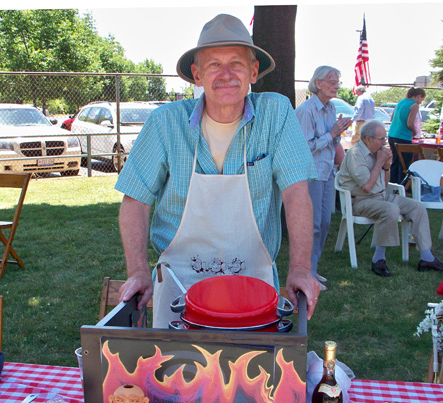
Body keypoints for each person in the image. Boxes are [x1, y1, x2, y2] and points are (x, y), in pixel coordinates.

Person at [115, 14, 319, 328]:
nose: (226, 75)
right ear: (196, 75)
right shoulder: (165, 123)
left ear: (253, 71)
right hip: (179, 287)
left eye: (236, 63)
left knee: (251, 374)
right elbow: (135, 202)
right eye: (213, 65)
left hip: (255, 287)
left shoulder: (275, 114)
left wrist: (301, 268)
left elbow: (296, 194)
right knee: (177, 371)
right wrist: (139, 271)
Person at [338, 119, 443, 276]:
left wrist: (386, 166)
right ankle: (379, 258)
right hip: (359, 200)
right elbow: (367, 187)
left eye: (385, 138)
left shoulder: (377, 152)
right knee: (390, 209)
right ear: (368, 139)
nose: (384, 142)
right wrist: (380, 162)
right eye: (381, 139)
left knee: (418, 207)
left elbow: (383, 185)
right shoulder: (356, 154)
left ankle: (426, 257)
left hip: (380, 196)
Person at [295, 66, 352, 289]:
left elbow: (330, 142)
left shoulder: (330, 109)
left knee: (325, 222)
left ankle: (313, 269)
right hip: (311, 173)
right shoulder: (306, 110)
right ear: (318, 83)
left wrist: (337, 134)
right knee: (313, 224)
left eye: (338, 81)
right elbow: (304, 147)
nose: (337, 85)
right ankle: (306, 272)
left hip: (328, 172)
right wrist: (332, 134)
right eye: (332, 81)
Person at [388, 87, 426, 184]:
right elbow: (409, 123)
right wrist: (414, 132)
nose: (421, 102)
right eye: (422, 99)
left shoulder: (401, 102)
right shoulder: (414, 105)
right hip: (403, 137)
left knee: (395, 162)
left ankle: (392, 185)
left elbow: (391, 118)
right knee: (404, 164)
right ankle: (402, 186)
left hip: (392, 134)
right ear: (419, 96)